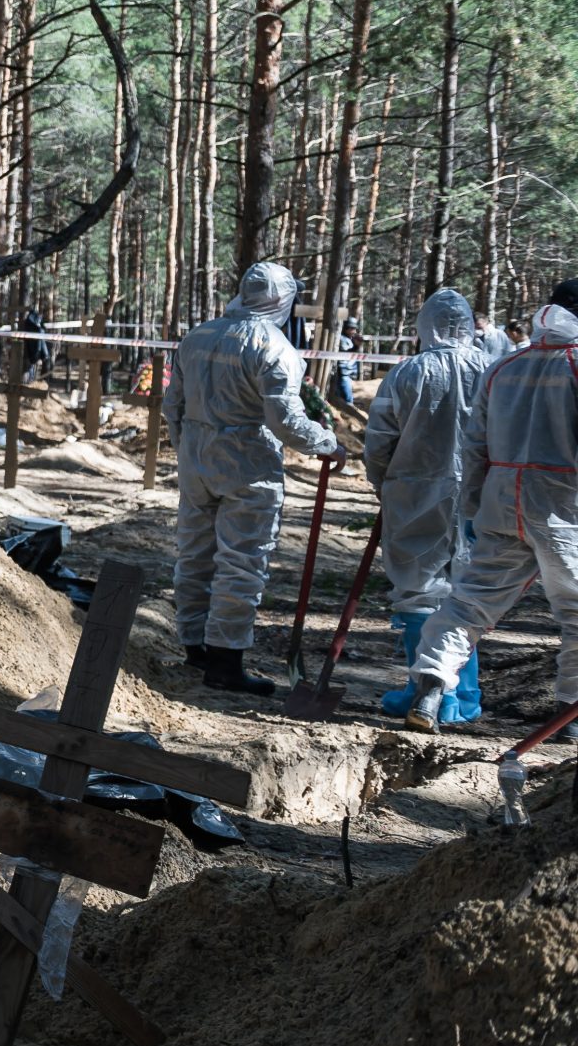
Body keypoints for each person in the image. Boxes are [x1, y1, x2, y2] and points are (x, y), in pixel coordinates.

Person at [402, 285, 578, 736]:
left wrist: (475, 506)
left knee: (468, 604)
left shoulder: (505, 367)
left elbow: (474, 444)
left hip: (502, 500)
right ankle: (571, 719)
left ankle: (429, 690)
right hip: (564, 505)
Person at [165, 260, 345, 695]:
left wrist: (185, 446)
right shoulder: (276, 347)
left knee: (195, 552)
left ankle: (195, 647)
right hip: (248, 465)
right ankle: (225, 662)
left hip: (197, 458)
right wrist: (327, 443)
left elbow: (173, 403)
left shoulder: (199, 335)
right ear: (283, 300)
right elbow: (285, 421)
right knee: (241, 561)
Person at [363, 289, 489, 725]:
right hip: (480, 496)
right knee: (470, 595)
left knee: (418, 592)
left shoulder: (405, 374)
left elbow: (379, 440)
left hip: (414, 493)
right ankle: (460, 697)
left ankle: (423, 690)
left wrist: (384, 483)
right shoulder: (493, 370)